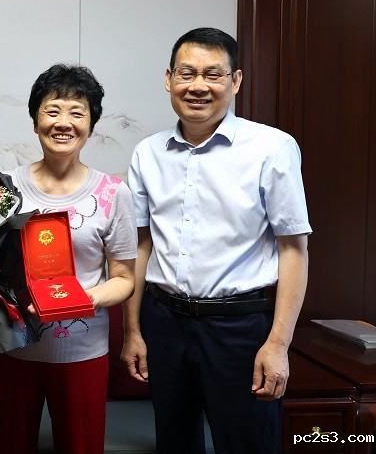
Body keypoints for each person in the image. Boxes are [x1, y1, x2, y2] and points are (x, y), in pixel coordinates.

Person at [121, 27, 312, 453]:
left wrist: (278, 344)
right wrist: (132, 330)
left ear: (235, 81)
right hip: (163, 322)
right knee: (174, 443)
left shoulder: (272, 148)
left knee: (247, 444)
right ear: (169, 79)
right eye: (187, 73)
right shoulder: (147, 153)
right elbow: (140, 245)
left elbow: (293, 250)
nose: (198, 86)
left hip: (239, 328)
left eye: (213, 74)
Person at [0, 64, 137, 454]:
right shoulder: (1, 189)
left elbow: (125, 278)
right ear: (35, 121)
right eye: (52, 110)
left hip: (83, 352)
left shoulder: (114, 193)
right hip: (14, 347)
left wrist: (85, 299)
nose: (63, 123)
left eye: (77, 112)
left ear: (91, 125)